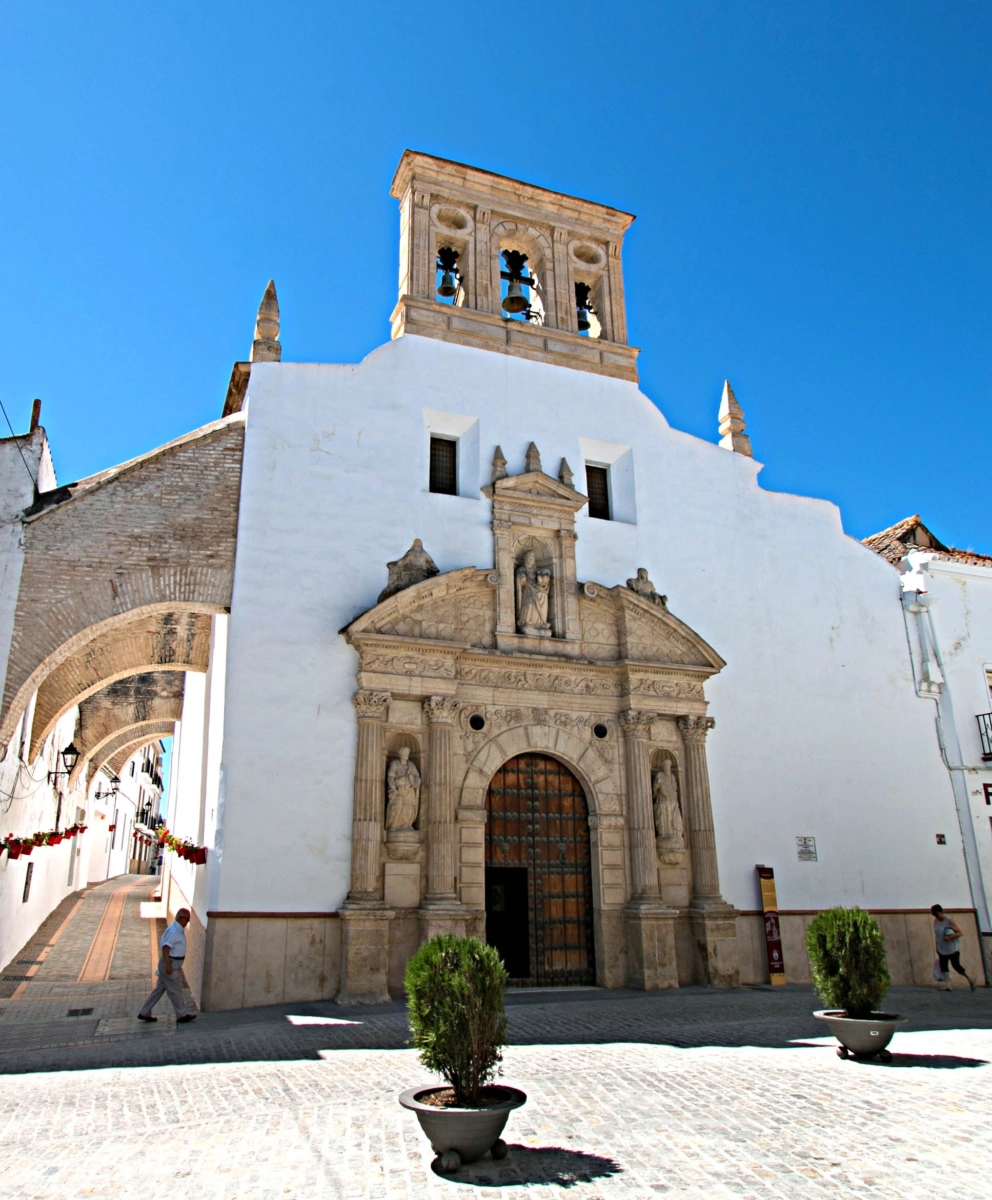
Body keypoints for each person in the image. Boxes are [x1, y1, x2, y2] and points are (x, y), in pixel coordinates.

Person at [138, 908, 197, 1022]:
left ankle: (144, 1012)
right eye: (187, 919)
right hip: (170, 964)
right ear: (181, 918)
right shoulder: (174, 931)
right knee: (175, 990)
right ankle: (182, 1014)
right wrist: (168, 966)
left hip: (171, 963)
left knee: (159, 990)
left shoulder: (177, 929)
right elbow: (166, 948)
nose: (188, 921)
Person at [931, 904, 977, 991]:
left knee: (956, 965)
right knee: (943, 966)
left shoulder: (949, 921)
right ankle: (947, 985)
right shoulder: (935, 921)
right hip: (942, 948)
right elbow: (936, 935)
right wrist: (937, 946)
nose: (936, 916)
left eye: (936, 914)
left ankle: (970, 980)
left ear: (941, 912)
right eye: (933, 914)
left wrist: (949, 937)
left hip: (952, 948)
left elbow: (960, 932)